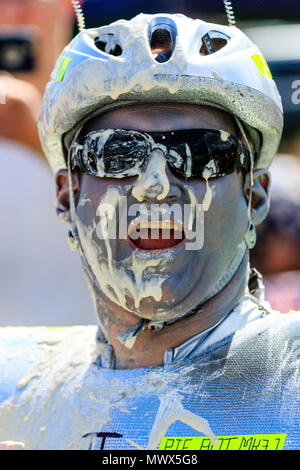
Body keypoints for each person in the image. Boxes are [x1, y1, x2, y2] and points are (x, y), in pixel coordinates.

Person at [0, 12, 299, 451]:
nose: (155, 187)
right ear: (66, 196)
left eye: (199, 153)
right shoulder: (14, 384)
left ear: (254, 196)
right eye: (117, 154)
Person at [0, 0, 95, 326]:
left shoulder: (118, 107)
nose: (12, 16)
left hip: (85, 367)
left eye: (24, 1)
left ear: (70, 5)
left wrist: (40, 140)